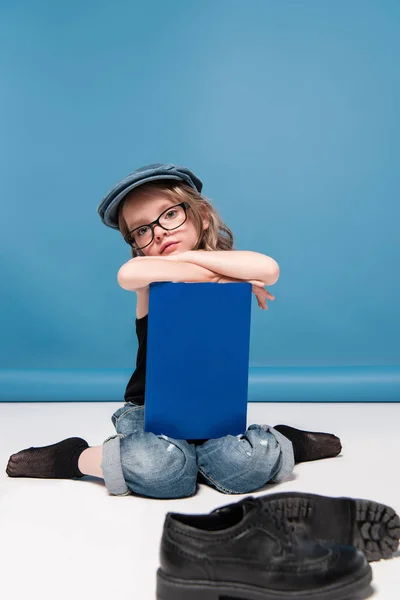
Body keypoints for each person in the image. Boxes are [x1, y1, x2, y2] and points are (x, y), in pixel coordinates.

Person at [6, 163, 341, 498]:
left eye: (168, 215)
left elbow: (268, 269)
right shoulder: (147, 278)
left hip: (214, 408)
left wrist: (195, 265)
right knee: (162, 470)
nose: (159, 232)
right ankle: (74, 457)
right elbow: (128, 274)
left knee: (240, 468)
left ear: (202, 216)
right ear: (137, 244)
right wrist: (222, 277)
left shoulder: (218, 266)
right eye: (142, 231)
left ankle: (285, 441)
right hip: (149, 410)